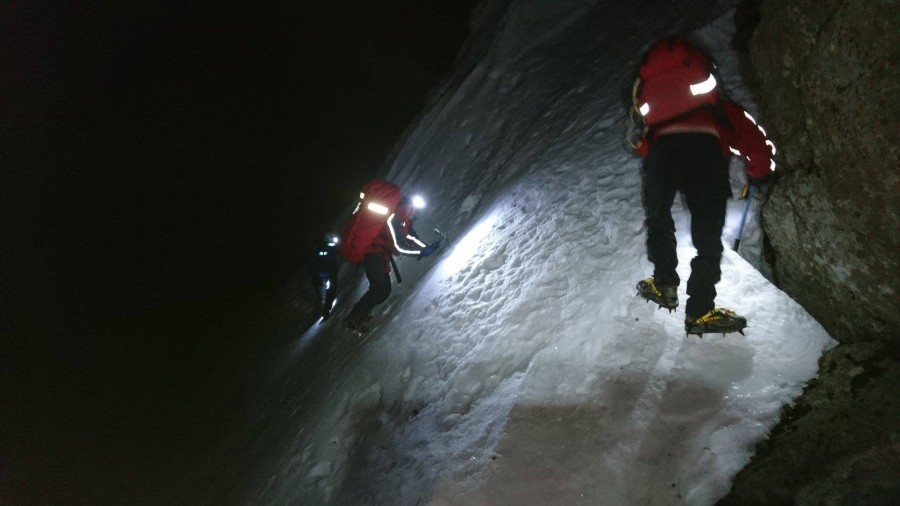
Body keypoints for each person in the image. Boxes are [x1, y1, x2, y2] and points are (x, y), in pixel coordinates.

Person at [631, 35, 775, 335]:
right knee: (706, 237)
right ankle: (699, 311)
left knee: (659, 219)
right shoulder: (718, 108)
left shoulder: (655, 108)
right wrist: (760, 173)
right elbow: (754, 141)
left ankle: (665, 284)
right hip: (706, 155)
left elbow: (641, 145)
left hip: (661, 153)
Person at [343, 195, 437, 335]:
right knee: (380, 289)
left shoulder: (404, 221)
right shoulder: (394, 218)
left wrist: (426, 247)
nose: (413, 211)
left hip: (380, 256)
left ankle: (360, 315)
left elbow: (411, 238)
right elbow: (398, 247)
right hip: (373, 255)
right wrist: (420, 253)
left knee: (383, 290)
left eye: (414, 209)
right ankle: (353, 318)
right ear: (403, 206)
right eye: (411, 207)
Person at [311, 233, 340, 319]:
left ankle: (325, 309)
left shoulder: (332, 249)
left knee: (331, 290)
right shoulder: (322, 249)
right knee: (325, 292)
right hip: (323, 273)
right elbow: (319, 262)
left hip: (330, 272)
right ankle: (322, 311)